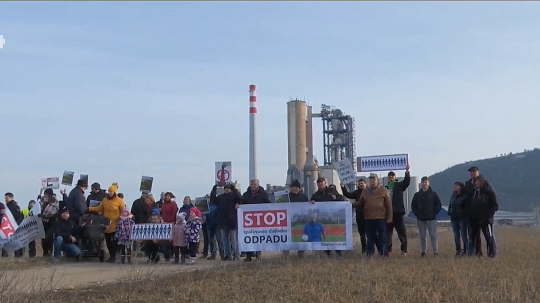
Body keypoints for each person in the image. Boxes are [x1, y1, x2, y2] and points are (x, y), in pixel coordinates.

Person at [355, 174, 392, 258]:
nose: (372, 181)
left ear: (377, 180)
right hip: (368, 218)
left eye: (373, 179)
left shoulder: (383, 190)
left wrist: (389, 217)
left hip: (380, 217)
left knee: (382, 236)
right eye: (370, 179)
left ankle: (383, 253)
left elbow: (389, 205)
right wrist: (350, 205)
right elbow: (360, 202)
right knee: (370, 237)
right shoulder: (365, 191)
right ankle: (369, 253)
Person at [464, 166, 498, 257]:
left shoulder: (487, 187)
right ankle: (478, 254)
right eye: (471, 172)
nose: (472, 173)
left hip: (486, 218)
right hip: (474, 217)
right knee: (475, 237)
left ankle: (492, 254)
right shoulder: (469, 186)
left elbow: (494, 203)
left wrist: (490, 214)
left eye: (474, 171)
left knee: (489, 236)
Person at [341, 178, 381, 255]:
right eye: (359, 184)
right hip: (360, 216)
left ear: (365, 184)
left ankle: (379, 249)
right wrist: (343, 187)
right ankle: (364, 250)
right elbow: (348, 194)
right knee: (362, 234)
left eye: (362, 183)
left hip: (369, 216)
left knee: (372, 234)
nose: (361, 185)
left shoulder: (370, 192)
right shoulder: (356, 193)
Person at [88, 183, 125, 263]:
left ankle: (113, 256)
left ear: (114, 192)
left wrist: (128, 216)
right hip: (106, 224)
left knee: (115, 241)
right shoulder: (105, 200)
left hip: (115, 224)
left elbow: (124, 211)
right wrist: (89, 208)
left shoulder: (119, 201)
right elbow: (98, 208)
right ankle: (111, 255)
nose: (109, 193)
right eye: (109, 191)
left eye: (111, 191)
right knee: (108, 241)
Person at [310, 177, 344, 259]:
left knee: (334, 236)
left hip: (333, 219)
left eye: (322, 182)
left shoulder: (332, 191)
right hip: (322, 220)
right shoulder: (315, 195)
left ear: (325, 183)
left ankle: (338, 253)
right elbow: (310, 203)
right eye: (319, 183)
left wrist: (336, 198)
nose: (320, 184)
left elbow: (342, 199)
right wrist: (311, 202)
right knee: (325, 236)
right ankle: (327, 253)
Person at [241, 179, 271, 262]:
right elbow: (241, 205)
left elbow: (268, 204)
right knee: (248, 237)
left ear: (258, 184)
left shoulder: (263, 194)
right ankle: (248, 255)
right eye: (252, 184)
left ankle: (258, 254)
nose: (253, 185)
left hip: (260, 219)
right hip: (248, 220)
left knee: (258, 237)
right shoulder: (246, 194)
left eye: (254, 184)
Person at [411, 176, 442, 257]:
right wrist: (417, 214)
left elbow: (438, 205)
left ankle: (435, 251)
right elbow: (413, 206)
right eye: (423, 182)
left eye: (425, 182)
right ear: (421, 184)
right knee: (422, 236)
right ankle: (423, 251)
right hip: (421, 219)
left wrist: (434, 213)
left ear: (428, 183)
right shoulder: (417, 195)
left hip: (431, 218)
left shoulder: (433, 194)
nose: (424, 184)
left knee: (433, 235)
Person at [384, 165, 411, 257]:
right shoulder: (385, 188)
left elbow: (407, 182)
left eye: (392, 175)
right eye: (390, 175)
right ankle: (388, 251)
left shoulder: (399, 185)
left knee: (401, 233)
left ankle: (404, 250)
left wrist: (407, 172)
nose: (391, 177)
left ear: (395, 177)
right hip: (387, 214)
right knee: (388, 233)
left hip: (398, 212)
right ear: (388, 177)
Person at [215, 184, 241, 261]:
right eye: (225, 188)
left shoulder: (234, 196)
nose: (226, 190)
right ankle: (227, 255)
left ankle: (236, 254)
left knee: (234, 240)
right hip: (223, 221)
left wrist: (234, 189)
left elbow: (239, 198)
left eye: (228, 188)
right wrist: (214, 188)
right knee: (225, 240)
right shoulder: (221, 197)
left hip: (232, 221)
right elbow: (213, 200)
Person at [284, 180, 309, 258]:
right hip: (288, 220)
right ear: (291, 188)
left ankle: (301, 252)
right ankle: (286, 253)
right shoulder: (286, 197)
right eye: (293, 187)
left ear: (299, 188)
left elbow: (307, 207)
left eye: (296, 187)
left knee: (302, 236)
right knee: (287, 236)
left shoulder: (303, 197)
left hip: (300, 220)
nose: (295, 189)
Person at [448, 181, 468, 257]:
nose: (456, 187)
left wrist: (463, 214)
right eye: (455, 185)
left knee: (463, 235)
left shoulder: (464, 196)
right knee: (456, 235)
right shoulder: (453, 196)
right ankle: (458, 250)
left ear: (461, 187)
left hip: (462, 218)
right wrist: (449, 212)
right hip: (454, 218)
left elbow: (466, 207)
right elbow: (450, 205)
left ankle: (466, 250)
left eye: (457, 185)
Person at [41, 188, 59, 257]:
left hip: (51, 222)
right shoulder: (43, 200)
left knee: (49, 237)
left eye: (46, 194)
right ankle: (45, 252)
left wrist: (46, 216)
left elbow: (55, 212)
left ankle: (50, 250)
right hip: (43, 222)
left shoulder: (55, 202)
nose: (44, 195)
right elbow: (39, 207)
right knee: (43, 237)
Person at [4, 192, 23, 257]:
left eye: (7, 198)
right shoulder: (8, 206)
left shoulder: (14, 206)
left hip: (14, 226)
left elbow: (18, 216)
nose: (5, 199)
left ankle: (18, 255)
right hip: (9, 226)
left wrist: (16, 225)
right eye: (5, 198)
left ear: (11, 197)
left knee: (16, 241)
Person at [207, 186, 222, 260]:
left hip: (217, 224)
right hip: (209, 224)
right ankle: (213, 254)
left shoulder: (219, 204)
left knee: (219, 240)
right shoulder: (207, 204)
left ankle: (222, 254)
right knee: (211, 240)